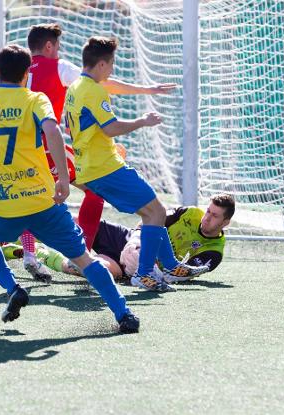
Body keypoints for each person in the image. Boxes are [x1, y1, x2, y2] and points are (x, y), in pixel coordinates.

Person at [0, 44, 139, 333]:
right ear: (26, 74)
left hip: (1, 205)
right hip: (44, 203)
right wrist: (61, 178)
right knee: (85, 259)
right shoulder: (36, 99)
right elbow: (52, 130)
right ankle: (124, 315)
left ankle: (12, 288)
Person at [0, 23, 176, 284]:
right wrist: (147, 90)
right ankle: (82, 256)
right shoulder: (59, 67)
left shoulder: (11, 72)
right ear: (49, 46)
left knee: (26, 198)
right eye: (57, 46)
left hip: (15, 155)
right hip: (47, 149)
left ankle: (28, 252)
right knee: (91, 193)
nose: (58, 51)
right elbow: (102, 82)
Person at [64, 36, 209, 292]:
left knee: (152, 213)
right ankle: (144, 274)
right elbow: (110, 127)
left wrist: (148, 89)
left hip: (92, 166)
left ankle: (170, 265)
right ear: (100, 65)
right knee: (156, 212)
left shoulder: (75, 87)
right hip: (106, 168)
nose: (112, 70)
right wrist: (142, 120)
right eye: (111, 65)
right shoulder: (94, 91)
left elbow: (78, 124)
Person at [14, 194, 235, 282]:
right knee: (74, 224)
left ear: (225, 223)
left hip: (128, 269)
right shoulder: (189, 213)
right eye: (208, 211)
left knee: (83, 268)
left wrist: (149, 269)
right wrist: (136, 239)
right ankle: (18, 231)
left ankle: (35, 253)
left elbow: (181, 275)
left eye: (214, 216)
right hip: (126, 241)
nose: (206, 218)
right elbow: (151, 217)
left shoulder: (214, 252)